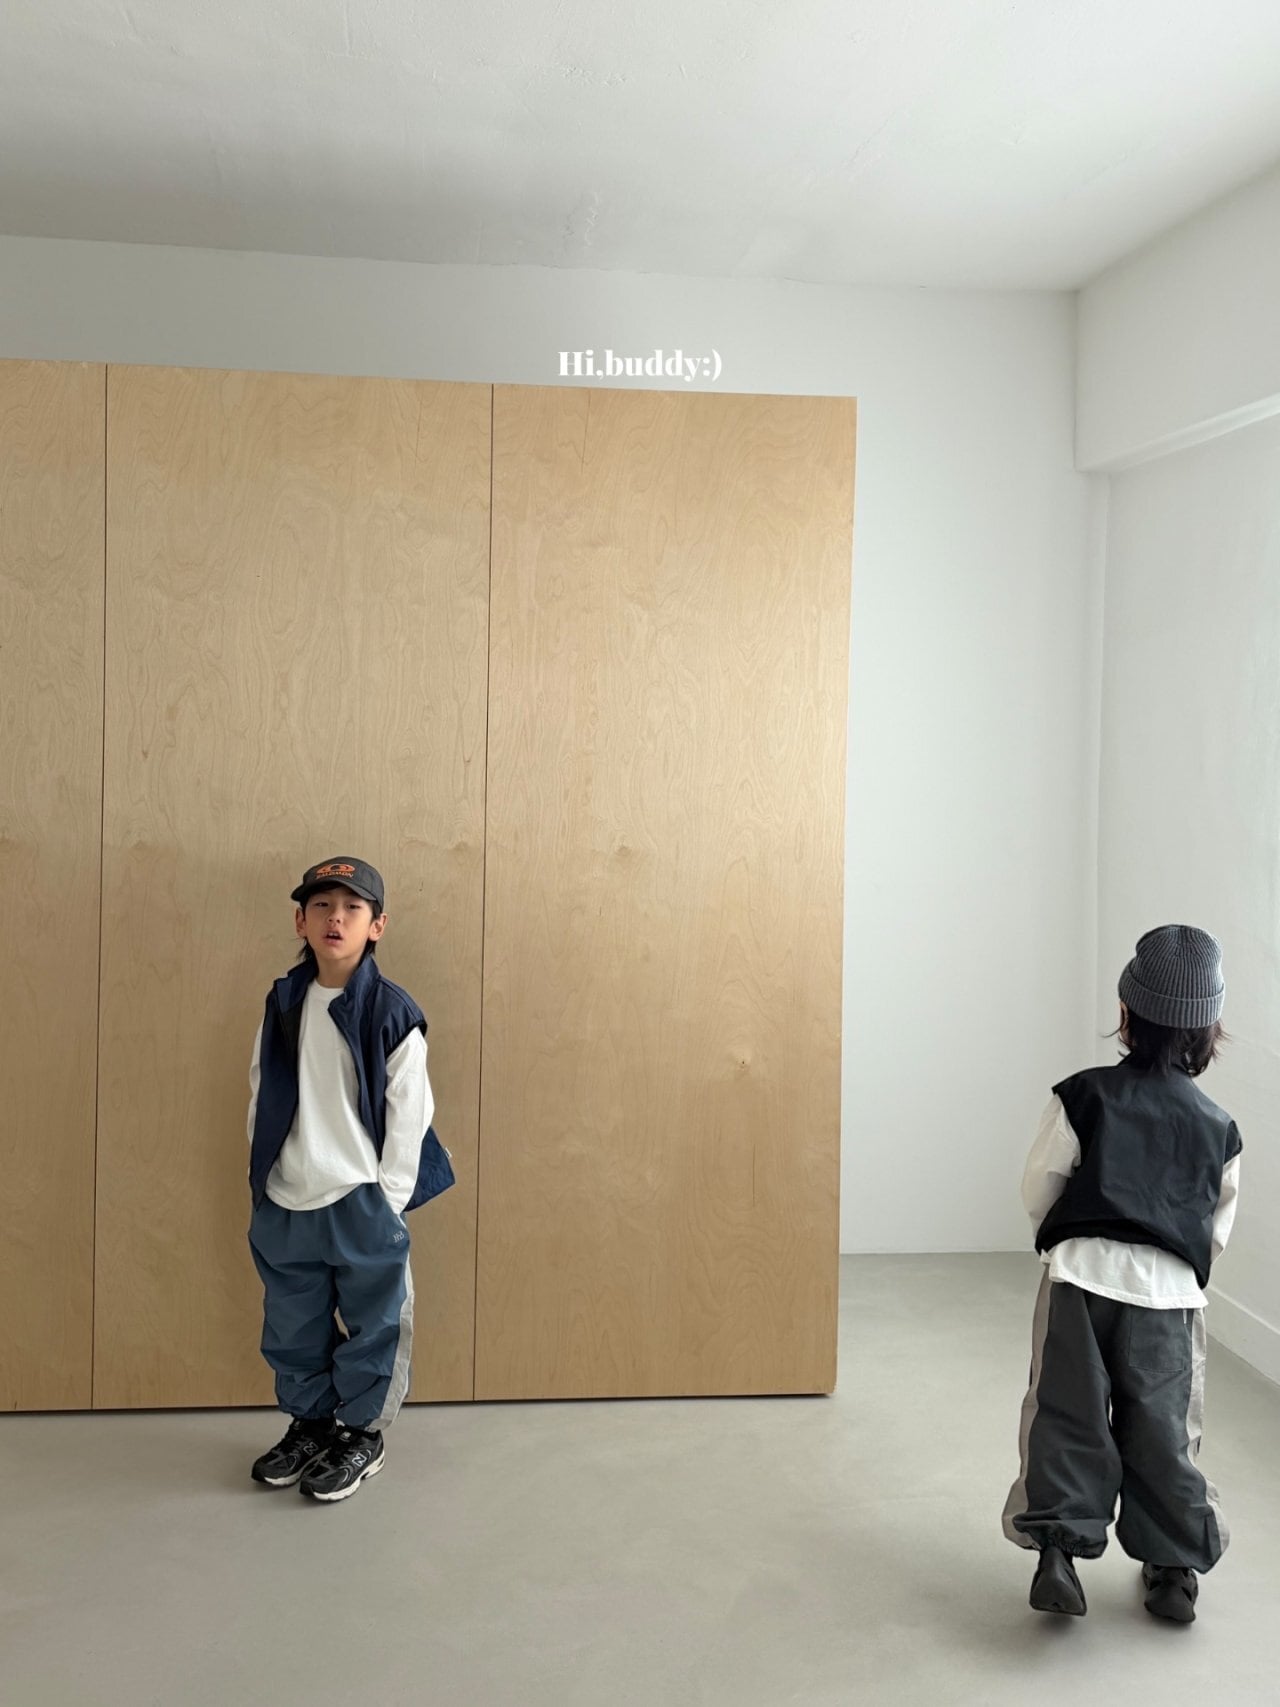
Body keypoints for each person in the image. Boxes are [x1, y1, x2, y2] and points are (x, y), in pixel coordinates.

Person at [1002, 925, 1242, 1623]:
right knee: (1165, 1431)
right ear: (1209, 1030)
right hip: (1168, 1295)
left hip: (1080, 1277)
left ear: (1125, 1012)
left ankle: (1057, 1552)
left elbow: (1040, 1188)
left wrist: (1064, 1243)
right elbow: (1215, 1228)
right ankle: (1172, 1570)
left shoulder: (1081, 1095)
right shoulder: (1220, 1127)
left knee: (1064, 1413)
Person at [245, 857, 453, 1503]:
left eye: (352, 907)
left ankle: (362, 1435)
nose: (335, 918)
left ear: (377, 925)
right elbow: (261, 1086)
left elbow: (411, 1111)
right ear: (300, 921)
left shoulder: (391, 1010)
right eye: (322, 905)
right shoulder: (284, 1000)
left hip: (360, 1196)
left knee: (374, 1321)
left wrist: (387, 1199)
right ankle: (310, 1425)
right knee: (293, 1323)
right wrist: (262, 1175)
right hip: (288, 1193)